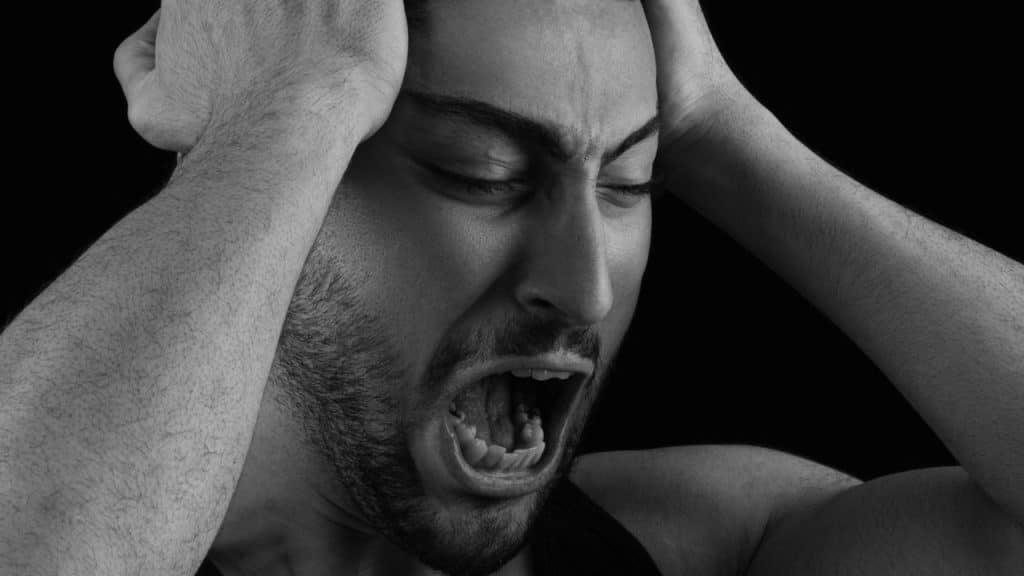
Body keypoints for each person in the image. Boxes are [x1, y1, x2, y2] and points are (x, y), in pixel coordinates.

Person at [1, 0, 1021, 574]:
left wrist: (724, 130)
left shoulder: (706, 547)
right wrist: (288, 107)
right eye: (481, 172)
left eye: (629, 182)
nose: (587, 291)